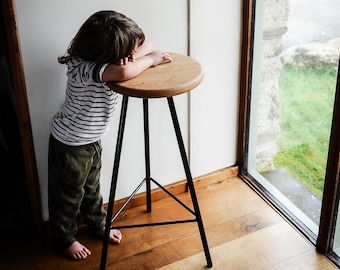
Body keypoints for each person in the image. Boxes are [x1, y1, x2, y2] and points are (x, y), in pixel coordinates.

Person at [48, 10, 172, 260]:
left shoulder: (104, 61)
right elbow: (127, 72)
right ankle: (64, 237)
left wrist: (132, 54)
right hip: (71, 143)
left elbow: (148, 44)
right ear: (106, 53)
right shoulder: (82, 67)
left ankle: (97, 222)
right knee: (68, 195)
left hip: (91, 139)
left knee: (92, 187)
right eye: (123, 52)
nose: (128, 57)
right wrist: (151, 59)